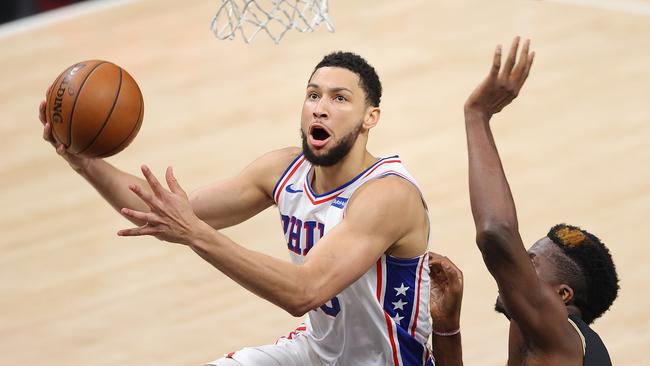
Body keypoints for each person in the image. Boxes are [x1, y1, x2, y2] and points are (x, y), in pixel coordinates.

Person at [39, 51, 434, 365]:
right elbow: (168, 210)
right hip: (317, 353)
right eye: (313, 94)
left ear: (371, 118)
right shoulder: (283, 170)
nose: (320, 107)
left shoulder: (387, 195)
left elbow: (304, 291)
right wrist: (82, 161)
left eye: (339, 98)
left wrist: (195, 233)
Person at [427, 37, 620, 366]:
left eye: (530, 262)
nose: (516, 264)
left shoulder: (560, 337)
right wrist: (447, 328)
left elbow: (496, 232)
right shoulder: (547, 343)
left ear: (561, 296)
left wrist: (477, 116)